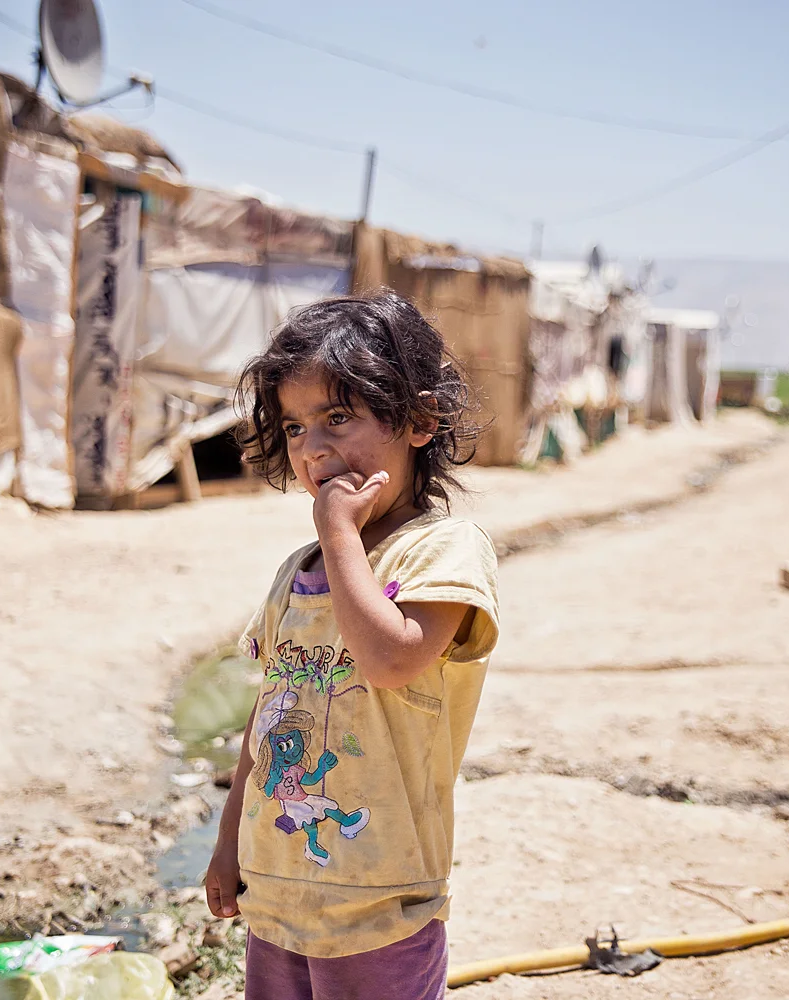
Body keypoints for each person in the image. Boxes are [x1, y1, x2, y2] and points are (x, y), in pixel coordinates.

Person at [204, 292, 500, 1000]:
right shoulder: (299, 571)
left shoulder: (440, 551)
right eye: (297, 425)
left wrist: (340, 535)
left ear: (419, 421)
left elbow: (391, 659)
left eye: (338, 417)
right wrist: (227, 842)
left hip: (380, 900)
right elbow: (268, 715)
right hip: (277, 890)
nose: (314, 447)